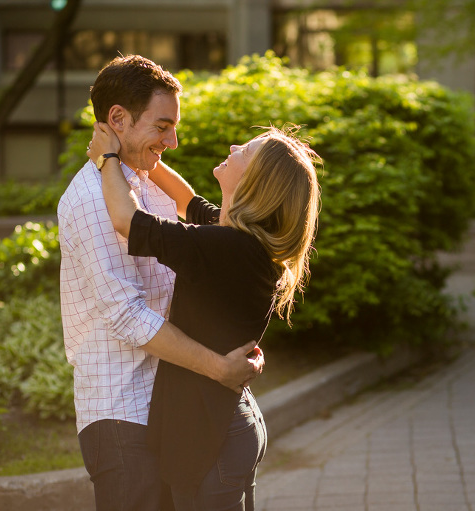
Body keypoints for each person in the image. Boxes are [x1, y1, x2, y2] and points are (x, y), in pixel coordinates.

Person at [57, 54, 263, 511]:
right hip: (122, 412)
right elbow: (129, 317)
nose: (173, 141)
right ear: (117, 119)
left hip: (173, 406)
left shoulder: (146, 185)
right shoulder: (91, 201)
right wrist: (219, 367)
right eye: (162, 126)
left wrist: (128, 152)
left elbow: (190, 214)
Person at [86, 120, 321, 510]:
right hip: (228, 427)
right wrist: (147, 157)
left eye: (244, 151)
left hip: (213, 439)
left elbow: (129, 222)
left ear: (255, 183)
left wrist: (108, 159)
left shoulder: (226, 247)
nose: (233, 146)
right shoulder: (239, 242)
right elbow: (187, 200)